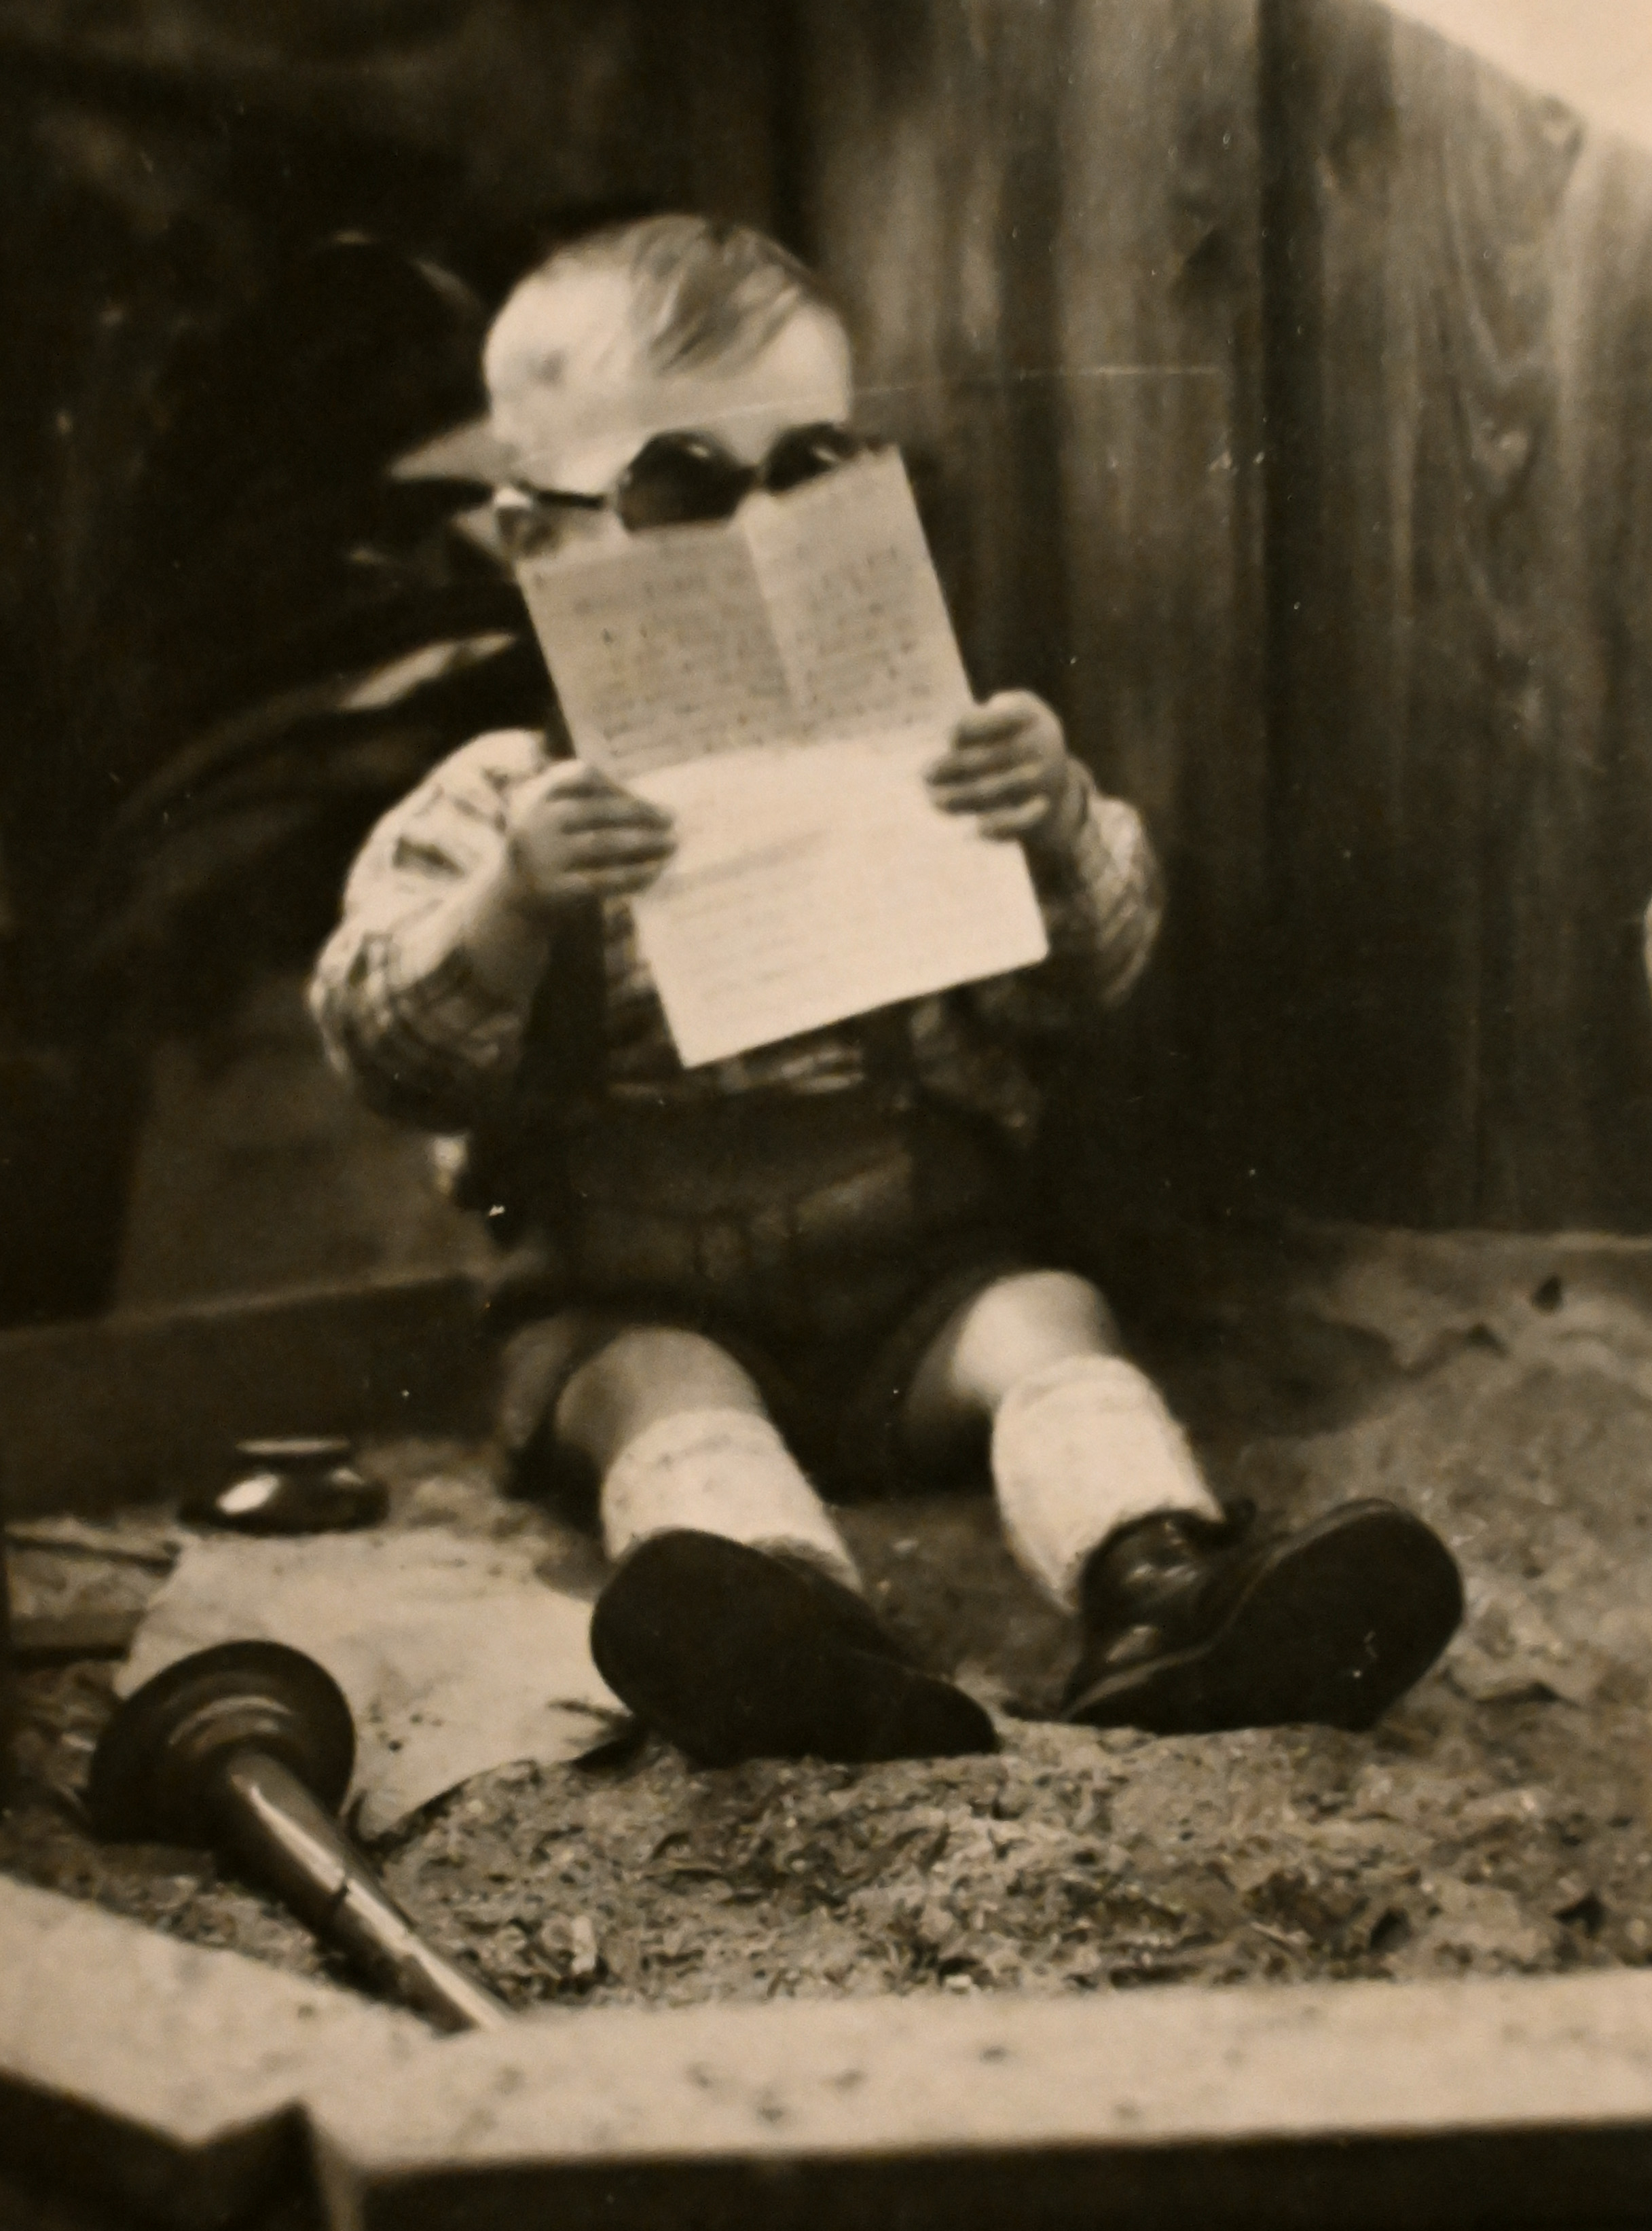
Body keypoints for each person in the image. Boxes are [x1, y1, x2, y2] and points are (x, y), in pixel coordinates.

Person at [311, 215, 1462, 1769]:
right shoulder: (503, 802)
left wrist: (1050, 827)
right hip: (633, 1301)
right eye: (679, 490)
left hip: (911, 1300)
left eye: (809, 473)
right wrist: (509, 908)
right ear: (538, 544)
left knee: (1042, 1318)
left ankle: (1158, 1586)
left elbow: (1086, 983)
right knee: (652, 1383)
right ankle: (784, 1622)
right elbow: (385, 1049)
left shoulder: (911, 751)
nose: (758, 540)